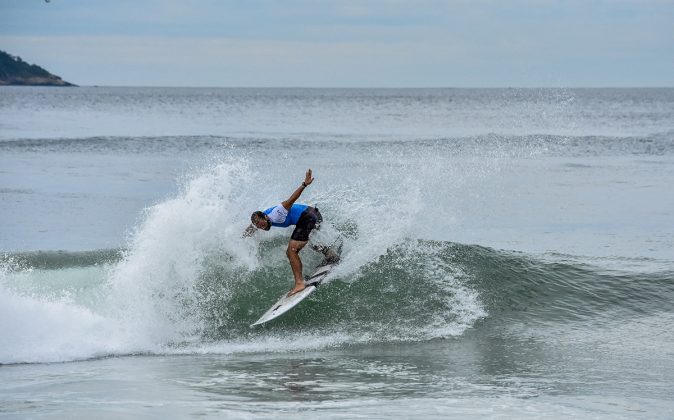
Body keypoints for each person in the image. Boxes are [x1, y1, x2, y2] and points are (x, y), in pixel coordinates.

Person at [244, 169, 337, 296]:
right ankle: (330, 254)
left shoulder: (276, 213)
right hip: (312, 215)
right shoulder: (260, 220)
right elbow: (251, 228)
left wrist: (305, 184)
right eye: (259, 227)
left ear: (265, 217)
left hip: (309, 216)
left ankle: (299, 284)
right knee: (304, 241)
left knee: (291, 250)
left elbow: (292, 199)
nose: (262, 228)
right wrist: (240, 242)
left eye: (262, 224)